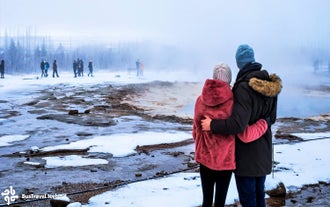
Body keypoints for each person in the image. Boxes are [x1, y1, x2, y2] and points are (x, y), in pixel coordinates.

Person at [201, 44, 282, 207]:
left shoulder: (243, 87)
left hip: (246, 158)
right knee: (260, 196)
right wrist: (262, 124)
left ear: (239, 64)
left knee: (248, 199)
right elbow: (271, 118)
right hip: (264, 154)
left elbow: (238, 124)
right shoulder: (269, 85)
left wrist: (213, 125)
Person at [193, 63, 269, 207]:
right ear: (229, 80)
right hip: (225, 161)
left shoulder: (200, 100)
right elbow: (238, 128)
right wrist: (263, 123)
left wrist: (200, 147)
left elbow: (196, 128)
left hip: (205, 157)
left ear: (214, 77)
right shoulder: (233, 102)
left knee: (206, 200)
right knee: (220, 202)